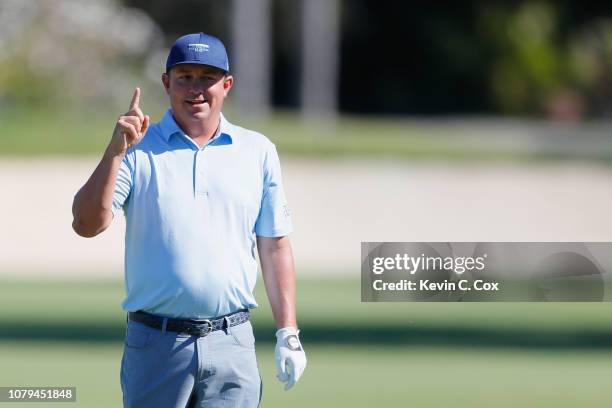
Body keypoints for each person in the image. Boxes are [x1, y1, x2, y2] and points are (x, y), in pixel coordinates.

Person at [71, 32, 306, 407]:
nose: (195, 88)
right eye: (185, 76)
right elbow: (87, 224)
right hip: (156, 342)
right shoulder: (136, 149)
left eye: (207, 77)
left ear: (226, 85)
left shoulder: (257, 151)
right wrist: (114, 152)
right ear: (166, 83)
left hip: (233, 341)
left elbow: (275, 246)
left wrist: (288, 332)